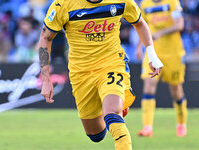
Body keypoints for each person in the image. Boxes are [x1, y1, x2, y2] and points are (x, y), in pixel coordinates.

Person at [38, 0, 163, 149]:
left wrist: (151, 54)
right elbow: (46, 38)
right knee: (95, 135)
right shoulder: (63, 4)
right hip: (81, 72)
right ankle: (112, 108)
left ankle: (114, 107)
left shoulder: (122, 1)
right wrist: (46, 79)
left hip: (111, 64)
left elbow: (140, 23)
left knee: (112, 113)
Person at [136, 0, 187, 137]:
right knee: (148, 85)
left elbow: (179, 25)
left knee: (176, 91)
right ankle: (147, 127)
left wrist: (160, 33)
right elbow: (141, 26)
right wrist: (138, 47)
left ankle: (181, 123)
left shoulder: (172, 2)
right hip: (153, 52)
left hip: (173, 53)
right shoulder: (145, 4)